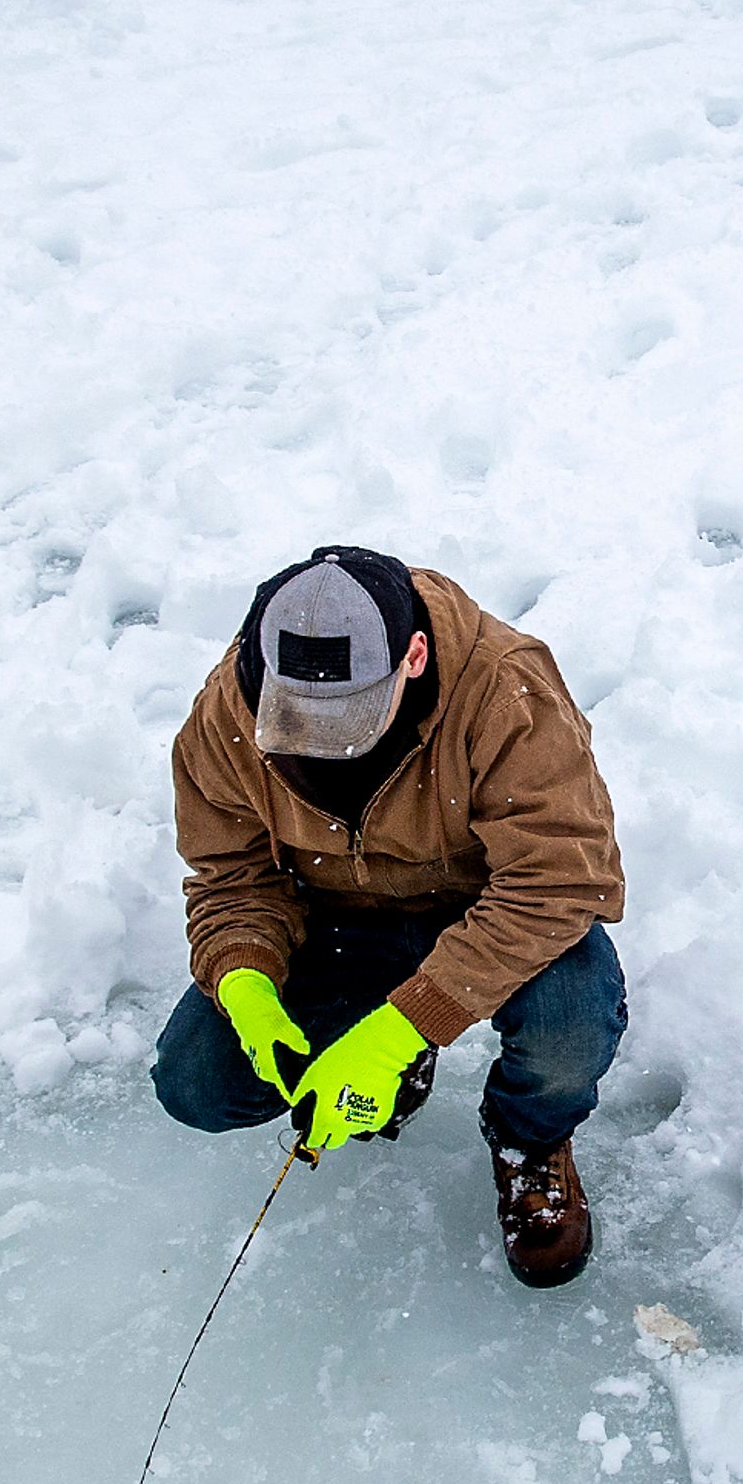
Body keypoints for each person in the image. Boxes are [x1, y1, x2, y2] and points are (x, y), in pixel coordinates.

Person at [153, 547, 628, 1289]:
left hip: (492, 913)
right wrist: (246, 984)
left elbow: (559, 877)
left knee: (570, 1029)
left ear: (414, 656)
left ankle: (528, 1143)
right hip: (334, 922)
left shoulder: (505, 687)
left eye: (349, 718)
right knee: (197, 1080)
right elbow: (230, 875)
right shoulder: (228, 708)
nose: (325, 743)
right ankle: (382, 1059)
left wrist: (404, 1023)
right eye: (300, 719)